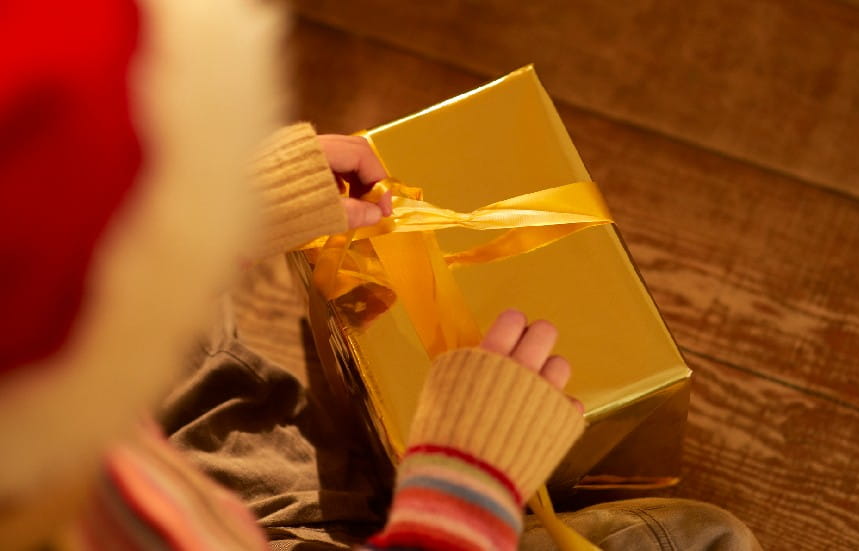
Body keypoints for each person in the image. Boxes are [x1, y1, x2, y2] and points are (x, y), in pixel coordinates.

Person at [1, 1, 760, 549]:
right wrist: (460, 493)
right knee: (706, 541)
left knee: (183, 361)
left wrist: (215, 208)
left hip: (104, 446)